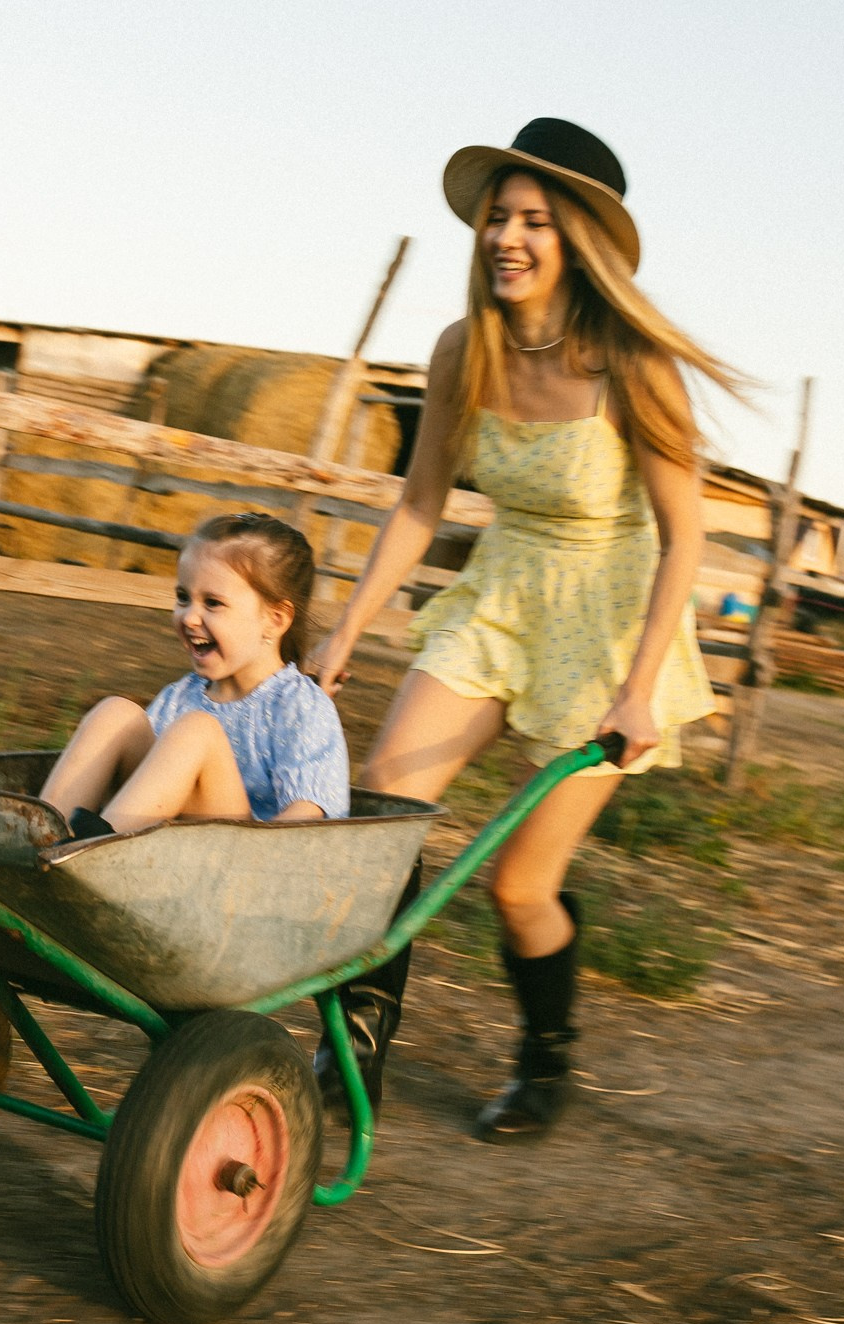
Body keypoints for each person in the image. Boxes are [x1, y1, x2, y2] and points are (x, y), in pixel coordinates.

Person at [307, 118, 742, 1143]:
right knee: (384, 815)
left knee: (518, 885)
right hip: (502, 595)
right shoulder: (466, 350)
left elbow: (687, 538)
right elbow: (420, 504)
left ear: (578, 239)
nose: (508, 236)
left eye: (534, 220)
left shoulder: (633, 365)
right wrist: (344, 632)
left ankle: (547, 1060)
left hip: (606, 619)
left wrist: (638, 692)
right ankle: (355, 1035)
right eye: (498, 216)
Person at [42, 513, 348, 835]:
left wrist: (264, 852)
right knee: (115, 713)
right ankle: (43, 833)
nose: (189, 617)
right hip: (170, 844)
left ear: (274, 619)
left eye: (213, 603)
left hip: (243, 856)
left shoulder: (298, 705)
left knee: (198, 731)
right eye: (183, 598)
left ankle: (95, 851)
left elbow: (311, 808)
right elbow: (148, 784)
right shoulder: (180, 697)